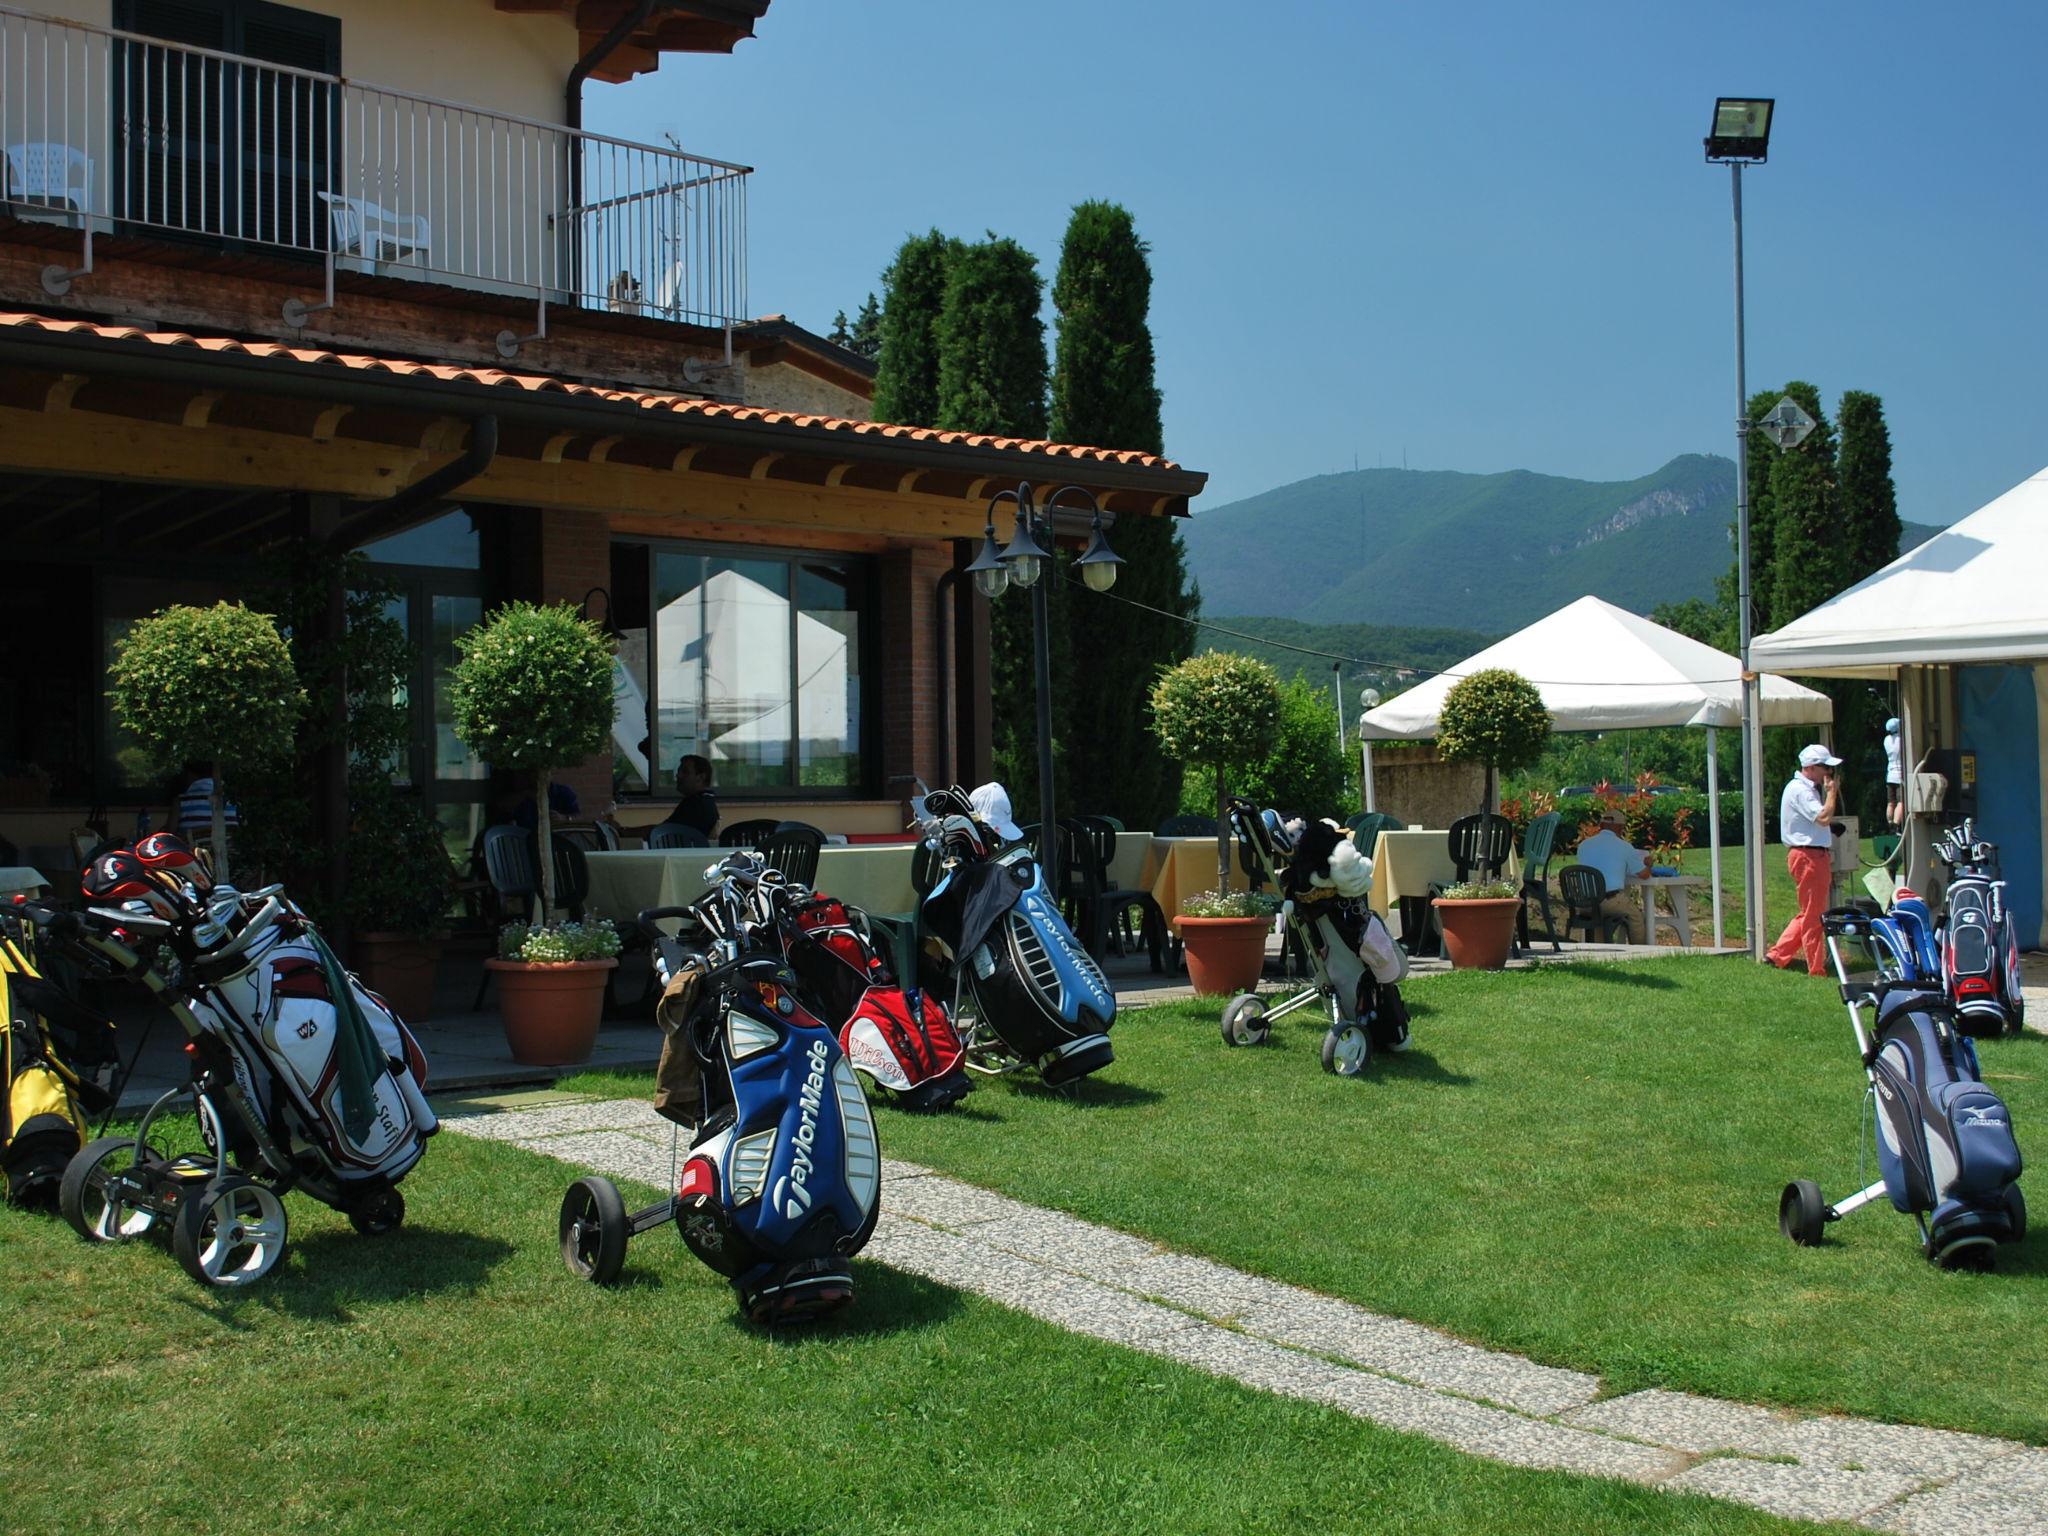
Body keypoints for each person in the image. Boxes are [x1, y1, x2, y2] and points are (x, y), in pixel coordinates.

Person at [1768, 743, 1842, 976]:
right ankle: (1816, 968)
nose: (1828, 773)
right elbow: (1822, 817)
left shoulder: (1804, 788)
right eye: (1825, 767)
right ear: (1810, 767)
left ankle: (1777, 955)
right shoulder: (1801, 790)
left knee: (1810, 911)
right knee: (1814, 915)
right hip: (1809, 856)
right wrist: (1832, 793)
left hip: (1811, 854)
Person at [1574, 809, 1650, 944]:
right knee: (1636, 917)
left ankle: (1599, 949)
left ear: (1601, 826)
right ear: (1620, 828)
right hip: (1609, 901)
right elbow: (1644, 875)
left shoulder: (1583, 846)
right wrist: (1648, 865)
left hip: (1584, 903)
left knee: (1599, 920)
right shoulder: (1624, 847)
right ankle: (1641, 950)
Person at [662, 754, 720, 839]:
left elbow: (663, 831)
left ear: (700, 777)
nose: (678, 775)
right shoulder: (705, 800)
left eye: (685, 772)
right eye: (679, 771)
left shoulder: (697, 804)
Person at [1884, 717, 1904, 827]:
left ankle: (1890, 824)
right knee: (1901, 802)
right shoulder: (1902, 740)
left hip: (1890, 776)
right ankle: (1896, 825)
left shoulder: (1886, 740)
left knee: (1891, 802)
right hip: (1900, 776)